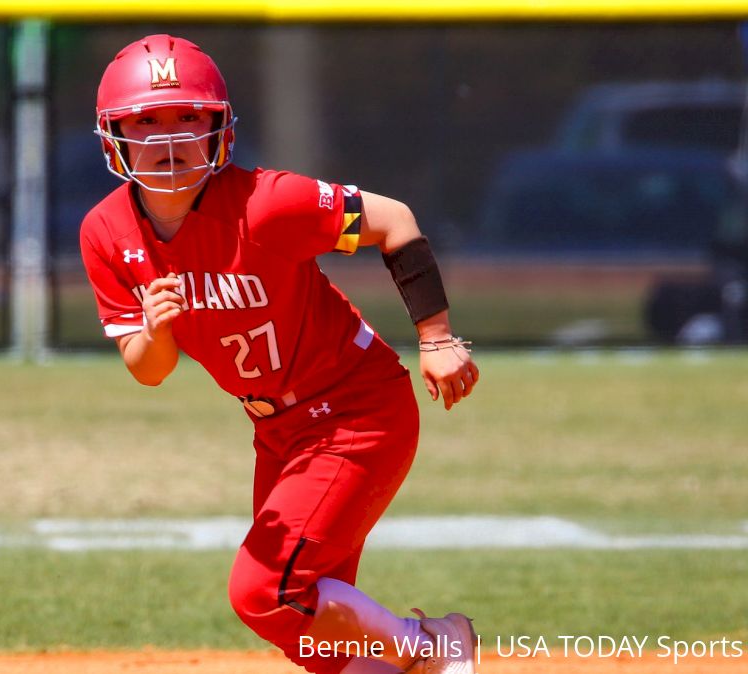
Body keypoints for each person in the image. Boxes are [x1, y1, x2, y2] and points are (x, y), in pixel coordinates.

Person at [80, 35, 481, 674]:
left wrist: (437, 339)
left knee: (264, 591)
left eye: (188, 116)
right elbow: (149, 371)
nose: (168, 138)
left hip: (356, 411)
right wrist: (157, 333)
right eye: (147, 120)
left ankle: (432, 646)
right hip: (279, 430)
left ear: (219, 128)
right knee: (315, 631)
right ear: (113, 136)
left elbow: (395, 220)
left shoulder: (267, 204)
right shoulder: (104, 232)